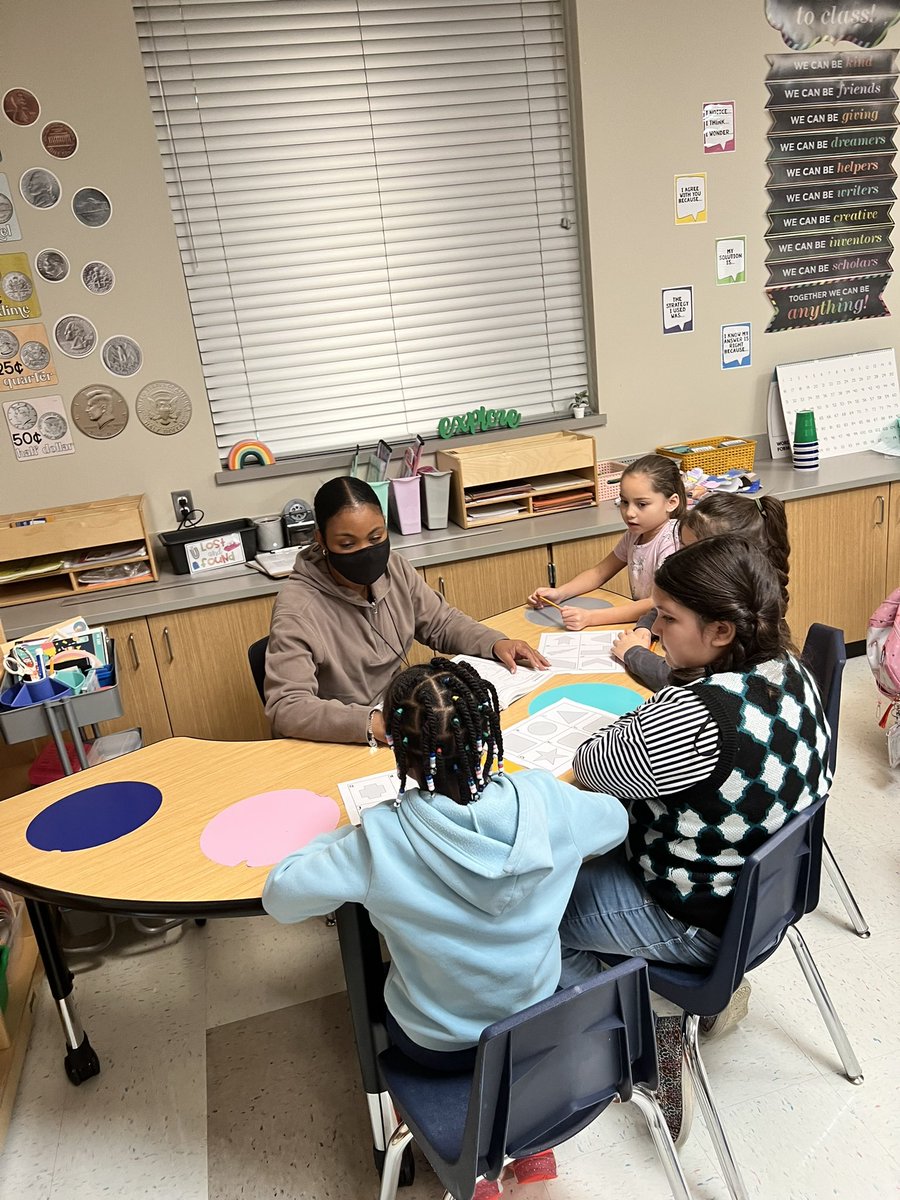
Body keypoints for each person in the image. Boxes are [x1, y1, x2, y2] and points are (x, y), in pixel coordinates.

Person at [263, 658, 628, 1196]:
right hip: (539, 1028)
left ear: (398, 750)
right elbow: (615, 824)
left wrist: (337, 839)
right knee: (522, 1029)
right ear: (488, 734)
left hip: (437, 1046)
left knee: (382, 1001)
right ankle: (529, 1138)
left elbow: (282, 896)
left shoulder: (378, 840)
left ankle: (474, 1170)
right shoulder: (549, 802)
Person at [558, 536, 831, 981]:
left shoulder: (699, 715)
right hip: (764, 896)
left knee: (525, 924)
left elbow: (590, 764)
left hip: (693, 916)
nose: (658, 629)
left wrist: (659, 704)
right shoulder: (790, 667)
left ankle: (642, 1022)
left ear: (721, 630)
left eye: (669, 618)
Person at [265, 477, 549, 743]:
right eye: (348, 544)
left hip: (405, 719)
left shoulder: (394, 569)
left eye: (376, 538)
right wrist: (372, 723)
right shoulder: (298, 609)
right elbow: (287, 707)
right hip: (352, 736)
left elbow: (441, 622)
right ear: (322, 540)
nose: (366, 551)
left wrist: (495, 642)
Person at [613, 492, 791, 692]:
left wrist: (633, 653)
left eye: (691, 551)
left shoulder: (744, 626)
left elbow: (680, 680)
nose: (680, 558)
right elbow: (662, 608)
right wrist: (644, 629)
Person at [527, 454, 686, 629]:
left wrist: (591, 618)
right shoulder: (635, 533)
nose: (629, 513)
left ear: (671, 503)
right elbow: (600, 572)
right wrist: (559, 593)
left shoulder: (672, 542)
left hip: (665, 628)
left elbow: (654, 603)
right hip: (647, 623)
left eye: (641, 504)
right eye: (625, 502)